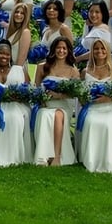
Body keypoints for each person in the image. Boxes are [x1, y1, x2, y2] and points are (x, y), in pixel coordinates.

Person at [79, 39, 112, 173]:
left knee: (107, 124)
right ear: (92, 52)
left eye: (102, 48)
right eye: (96, 49)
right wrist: (87, 99)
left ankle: (109, 161)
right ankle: (91, 160)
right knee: (91, 122)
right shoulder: (85, 71)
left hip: (110, 108)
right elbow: (80, 95)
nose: (99, 51)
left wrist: (109, 97)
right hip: (92, 108)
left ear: (107, 51)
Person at [32, 37, 79, 166]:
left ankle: (56, 157)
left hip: (63, 105)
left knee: (58, 114)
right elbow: (36, 89)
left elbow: (74, 93)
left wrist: (58, 96)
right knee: (46, 115)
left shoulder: (73, 70)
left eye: (64, 48)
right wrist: (43, 99)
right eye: (58, 48)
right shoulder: (42, 67)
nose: (61, 51)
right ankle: (44, 156)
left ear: (68, 51)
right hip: (46, 104)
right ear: (53, 49)